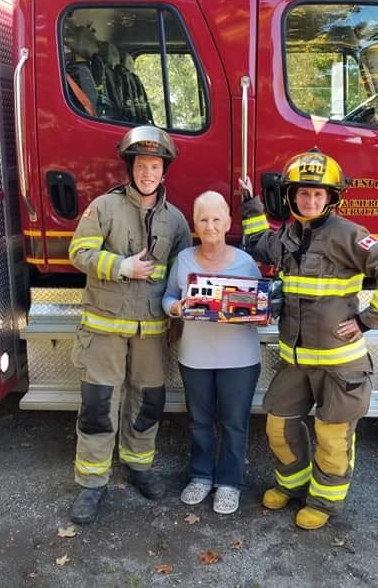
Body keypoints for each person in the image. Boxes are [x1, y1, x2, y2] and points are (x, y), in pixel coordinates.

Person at [240, 149, 378, 530]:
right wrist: (250, 205)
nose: (310, 200)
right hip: (296, 362)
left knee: (332, 438)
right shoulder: (286, 235)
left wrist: (368, 320)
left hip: (340, 364)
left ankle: (324, 501)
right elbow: (257, 244)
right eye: (303, 193)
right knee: (279, 428)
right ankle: (293, 486)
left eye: (319, 194)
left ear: (332, 198)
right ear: (291, 196)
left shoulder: (349, 235)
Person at [68, 125, 192, 524]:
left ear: (164, 170)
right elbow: (79, 252)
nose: (148, 173)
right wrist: (122, 267)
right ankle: (91, 484)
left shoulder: (176, 220)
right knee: (99, 407)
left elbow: (182, 271)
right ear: (130, 168)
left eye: (155, 166)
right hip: (104, 328)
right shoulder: (103, 207)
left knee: (147, 404)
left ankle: (139, 466)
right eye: (141, 165)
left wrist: (179, 312)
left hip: (151, 332)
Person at [163, 191, 261, 514]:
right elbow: (167, 298)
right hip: (195, 357)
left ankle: (230, 483)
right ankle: (201, 476)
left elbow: (262, 304)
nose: (210, 226)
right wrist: (176, 307)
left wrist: (260, 309)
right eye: (203, 219)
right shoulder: (184, 260)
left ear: (228, 223)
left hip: (240, 360)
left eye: (216, 219)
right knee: (199, 422)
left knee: (234, 424)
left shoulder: (246, 262)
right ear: (195, 223)